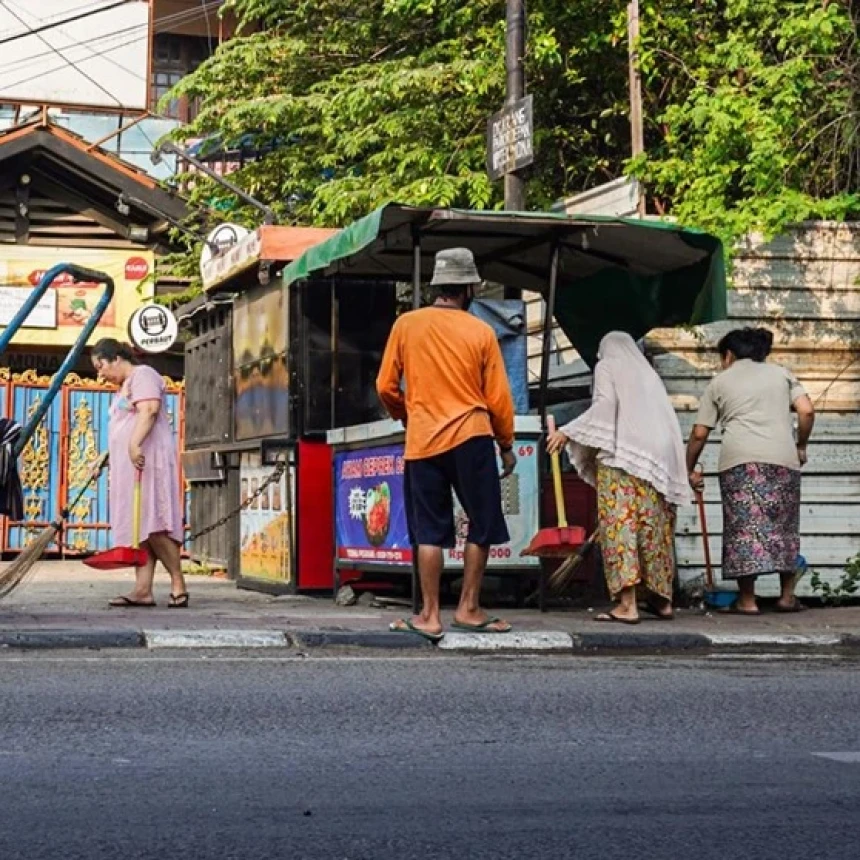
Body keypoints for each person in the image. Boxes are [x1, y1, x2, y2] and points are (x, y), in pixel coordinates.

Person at [376, 247, 516, 641]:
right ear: (469, 287)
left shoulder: (407, 324)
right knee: (482, 523)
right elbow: (499, 399)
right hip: (472, 437)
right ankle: (469, 608)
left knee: (429, 532)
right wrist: (505, 444)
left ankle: (430, 616)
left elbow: (385, 386)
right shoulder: (481, 332)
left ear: (438, 286)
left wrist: (408, 415)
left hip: (423, 442)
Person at [547, 331, 692, 623]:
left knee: (620, 526)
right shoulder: (648, 375)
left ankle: (628, 605)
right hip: (656, 462)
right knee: (654, 529)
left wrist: (567, 432)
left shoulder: (607, 366)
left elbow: (604, 408)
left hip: (623, 458)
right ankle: (662, 601)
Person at [686, 327, 815, 614]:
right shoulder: (781, 374)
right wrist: (801, 445)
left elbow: (698, 433)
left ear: (729, 355)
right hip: (783, 460)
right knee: (784, 528)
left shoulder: (720, 382)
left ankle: (747, 601)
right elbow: (806, 411)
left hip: (740, 462)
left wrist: (688, 467)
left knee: (743, 530)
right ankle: (786, 597)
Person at [91, 338, 188, 608]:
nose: (100, 374)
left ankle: (178, 585)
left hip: (148, 461)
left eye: (101, 366)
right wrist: (107, 456)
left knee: (155, 525)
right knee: (140, 529)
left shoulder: (143, 375)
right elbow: (126, 424)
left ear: (116, 359)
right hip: (133, 464)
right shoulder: (123, 388)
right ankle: (142, 590)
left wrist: (133, 444)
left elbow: (149, 411)